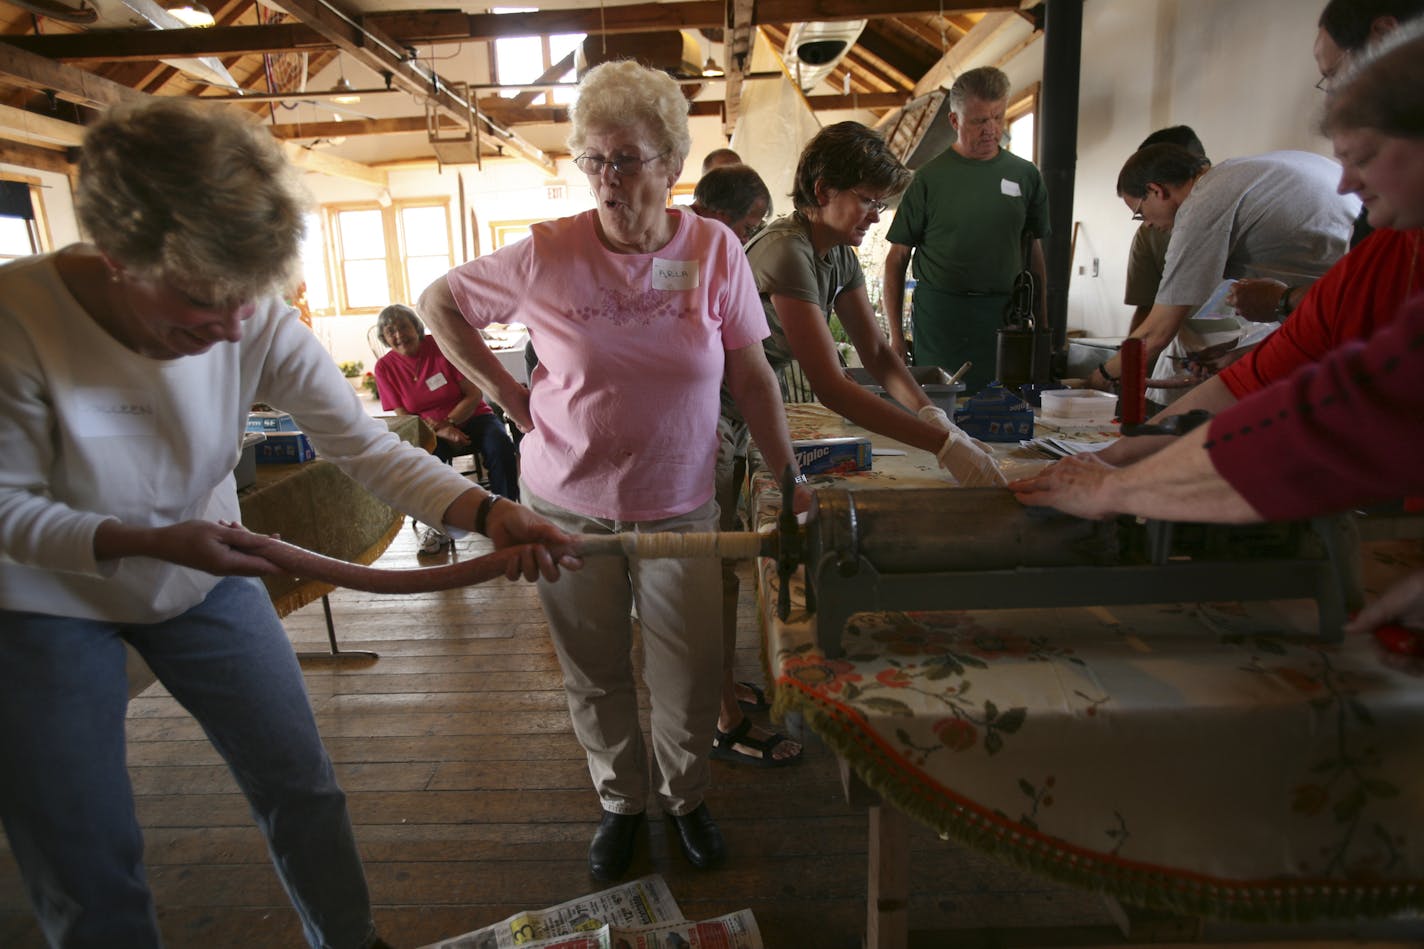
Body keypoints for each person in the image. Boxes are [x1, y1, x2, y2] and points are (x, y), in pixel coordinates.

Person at [0, 99, 576, 948]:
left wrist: (489, 510)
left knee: (300, 783)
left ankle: (348, 938)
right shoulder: (20, 317)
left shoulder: (248, 311)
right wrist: (143, 539)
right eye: (201, 302)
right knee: (84, 845)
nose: (235, 327)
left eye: (247, 300)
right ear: (118, 258)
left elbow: (368, 448)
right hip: (47, 597)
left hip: (206, 572)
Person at [416, 59, 806, 883]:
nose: (607, 178)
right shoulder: (547, 253)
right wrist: (507, 394)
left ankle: (686, 794)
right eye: (593, 159)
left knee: (691, 672)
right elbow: (437, 302)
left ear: (670, 163)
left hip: (679, 506)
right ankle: (622, 802)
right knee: (594, 670)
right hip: (566, 503)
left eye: (626, 159)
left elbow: (754, 375)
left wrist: (789, 475)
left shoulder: (715, 250)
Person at [1011, 22, 1424, 635]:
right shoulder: (1382, 256)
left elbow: (1329, 421)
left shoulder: (1213, 198)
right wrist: (1120, 454)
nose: (1345, 187)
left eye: (1361, 159)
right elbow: (1262, 379)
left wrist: (1120, 490)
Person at [707, 122, 1010, 768]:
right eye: (868, 200)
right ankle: (723, 715)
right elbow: (834, 385)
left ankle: (725, 686)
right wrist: (942, 446)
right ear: (823, 190)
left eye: (880, 201)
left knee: (736, 557)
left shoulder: (837, 254)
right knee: (717, 564)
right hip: (708, 411)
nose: (877, 215)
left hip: (748, 408)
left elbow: (875, 351)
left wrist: (932, 412)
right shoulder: (785, 250)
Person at [1087, 143, 1359, 393]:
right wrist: (1239, 354)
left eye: (1139, 213)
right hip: (1349, 300)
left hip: (1349, 316)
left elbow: (1157, 332)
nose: (1146, 224)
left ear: (1157, 190)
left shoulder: (1202, 205)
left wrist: (1097, 380)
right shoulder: (1242, 173)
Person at [883, 65, 1049, 393]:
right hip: (941, 319)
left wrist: (1043, 326)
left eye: (998, 117)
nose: (991, 129)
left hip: (1004, 319)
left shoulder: (1025, 175)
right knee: (941, 414)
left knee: (1004, 410)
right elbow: (896, 259)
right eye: (979, 121)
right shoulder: (928, 179)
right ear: (955, 121)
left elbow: (1034, 253)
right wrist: (896, 336)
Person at [372, 303, 520, 554]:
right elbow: (405, 416)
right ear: (384, 338)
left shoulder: (441, 347)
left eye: (404, 327)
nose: (399, 335)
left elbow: (473, 394)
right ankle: (439, 525)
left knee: (499, 443)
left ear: (416, 327)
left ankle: (504, 514)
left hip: (472, 416)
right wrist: (441, 431)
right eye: (391, 331)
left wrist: (450, 423)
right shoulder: (384, 368)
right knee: (428, 459)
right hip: (428, 430)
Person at [1122, 126, 1209, 333]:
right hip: (1184, 352)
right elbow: (1146, 308)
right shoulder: (1149, 232)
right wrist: (1130, 360)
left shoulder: (1228, 210)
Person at [690, 163, 772, 244]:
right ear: (722, 212)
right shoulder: (691, 239)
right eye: (748, 229)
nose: (745, 240)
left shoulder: (685, 225)